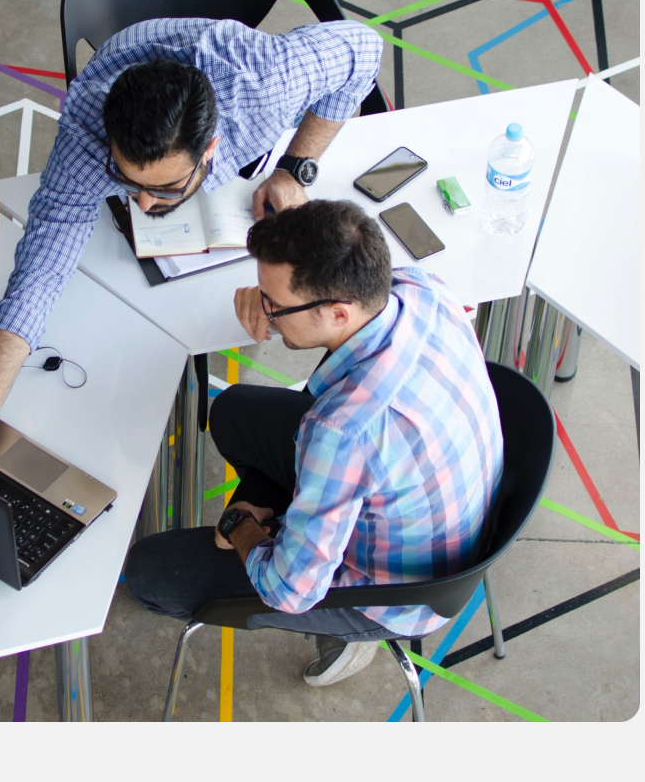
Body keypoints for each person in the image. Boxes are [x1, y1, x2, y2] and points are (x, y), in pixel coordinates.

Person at [0, 17, 384, 472]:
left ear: (210, 149)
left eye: (164, 189)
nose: (142, 204)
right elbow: (37, 278)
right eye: (126, 180)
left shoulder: (266, 83)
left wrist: (295, 165)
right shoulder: (86, 135)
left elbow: (365, 49)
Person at [125, 200, 504, 687]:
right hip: (443, 506)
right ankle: (295, 524)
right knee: (233, 412)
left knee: (150, 571)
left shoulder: (341, 430)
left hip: (394, 593)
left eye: (274, 305)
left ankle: (347, 635)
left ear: (338, 312)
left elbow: (288, 590)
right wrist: (266, 297)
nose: (266, 312)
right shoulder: (420, 289)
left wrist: (241, 524)